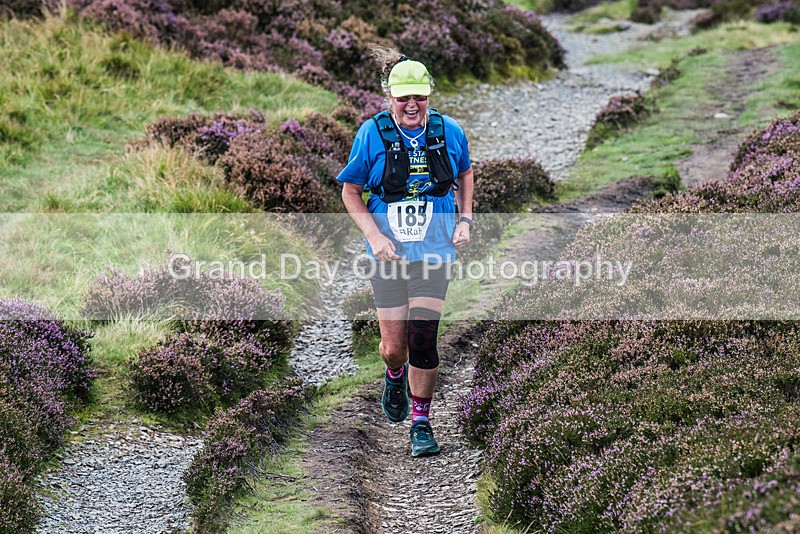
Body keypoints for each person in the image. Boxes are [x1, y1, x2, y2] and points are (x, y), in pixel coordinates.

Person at [337, 49, 474, 457]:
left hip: (435, 250)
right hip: (390, 253)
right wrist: (374, 238)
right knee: (395, 346)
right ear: (389, 97)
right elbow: (350, 192)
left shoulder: (450, 132)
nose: (412, 105)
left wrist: (465, 220)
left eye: (420, 97)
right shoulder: (371, 135)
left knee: (424, 338)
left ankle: (421, 422)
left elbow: (465, 173)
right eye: (403, 98)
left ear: (430, 95)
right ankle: (393, 373)